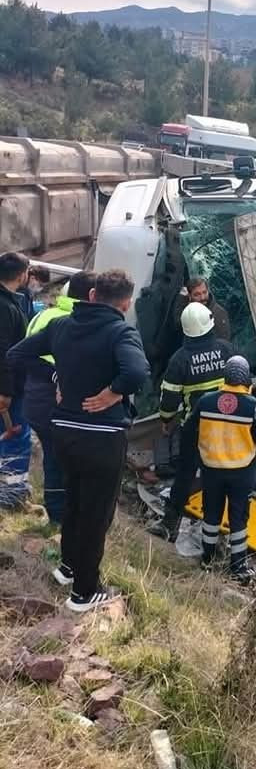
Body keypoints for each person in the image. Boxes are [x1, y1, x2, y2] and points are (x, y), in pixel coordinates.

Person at [8, 269, 150, 612]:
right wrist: (112, 393)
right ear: (126, 303)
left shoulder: (60, 325)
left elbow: (17, 354)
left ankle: (68, 568)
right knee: (96, 513)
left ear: (91, 296)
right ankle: (85, 592)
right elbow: (136, 373)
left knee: (74, 500)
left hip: (65, 432)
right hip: (102, 436)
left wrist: (54, 374)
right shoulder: (121, 332)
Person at [187, 355, 256, 583]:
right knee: (238, 517)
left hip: (211, 470)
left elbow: (189, 430)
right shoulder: (254, 407)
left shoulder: (205, 401)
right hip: (241, 472)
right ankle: (238, 567)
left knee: (211, 514)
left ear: (225, 377)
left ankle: (207, 559)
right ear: (246, 379)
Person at [148, 302, 233, 541]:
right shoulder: (226, 349)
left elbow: (169, 397)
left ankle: (170, 524)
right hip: (226, 424)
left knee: (185, 474)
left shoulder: (179, 359)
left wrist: (166, 420)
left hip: (195, 427)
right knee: (220, 472)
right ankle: (215, 530)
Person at [21, 272, 97, 525]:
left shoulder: (46, 314)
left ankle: (57, 512)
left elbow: (22, 356)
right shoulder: (71, 322)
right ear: (91, 296)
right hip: (52, 400)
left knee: (54, 456)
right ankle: (59, 515)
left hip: (34, 398)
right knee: (60, 458)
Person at [0, 252, 32, 497]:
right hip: (10, 387)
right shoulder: (6, 307)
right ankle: (12, 494)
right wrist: (6, 391)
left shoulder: (10, 301)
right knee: (16, 435)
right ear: (23, 275)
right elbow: (4, 352)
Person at [173, 276, 230, 341]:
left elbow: (223, 342)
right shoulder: (187, 311)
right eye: (197, 294)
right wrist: (182, 299)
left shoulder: (218, 313)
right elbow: (178, 325)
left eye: (204, 292)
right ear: (189, 296)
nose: (202, 297)